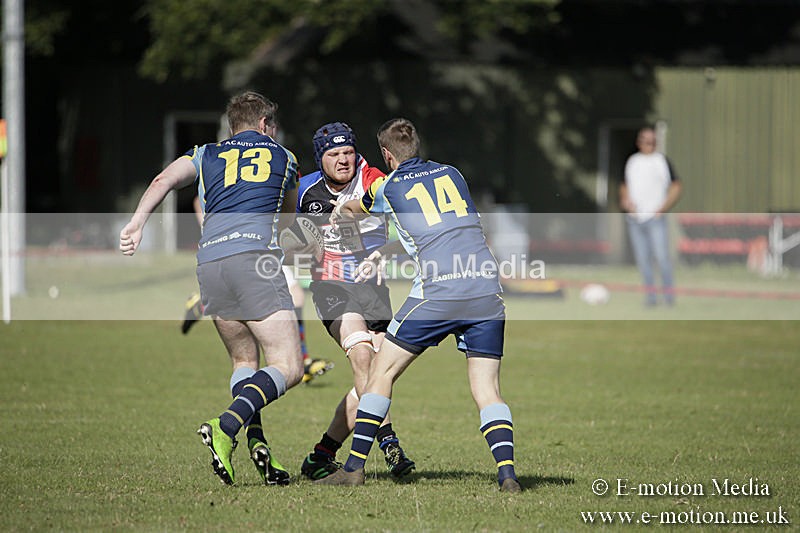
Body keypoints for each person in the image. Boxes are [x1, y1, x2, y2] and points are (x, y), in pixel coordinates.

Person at [317, 118, 521, 493]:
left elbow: (356, 209)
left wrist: (341, 211)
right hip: (485, 289)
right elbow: (439, 229)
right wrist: (384, 252)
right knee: (487, 389)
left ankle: (353, 468)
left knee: (380, 373)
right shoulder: (453, 174)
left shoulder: (388, 185)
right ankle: (507, 475)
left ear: (386, 154)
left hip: (438, 291)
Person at [119, 91, 304, 486]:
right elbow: (287, 221)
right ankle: (226, 426)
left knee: (244, 362)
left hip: (211, 264)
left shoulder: (204, 154)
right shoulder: (285, 157)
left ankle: (257, 441)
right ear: (264, 125)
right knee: (289, 366)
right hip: (254, 260)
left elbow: (163, 180)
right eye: (272, 126)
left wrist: (137, 222)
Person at [293, 122, 415, 481]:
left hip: (373, 291)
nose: (343, 159)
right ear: (320, 158)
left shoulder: (375, 180)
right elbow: (287, 236)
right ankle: (390, 445)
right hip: (331, 287)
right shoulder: (303, 190)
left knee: (376, 376)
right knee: (362, 356)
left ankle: (322, 454)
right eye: (334, 154)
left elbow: (410, 229)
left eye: (348, 152)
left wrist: (382, 252)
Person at [181, 196, 335, 384]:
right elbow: (199, 199)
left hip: (264, 245)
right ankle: (301, 360)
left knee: (294, 296)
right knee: (289, 298)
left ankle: (200, 304)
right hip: (253, 248)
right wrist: (207, 230)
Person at [619, 126, 683, 306]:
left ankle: (669, 298)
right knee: (643, 261)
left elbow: (677, 186)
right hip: (635, 219)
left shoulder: (661, 161)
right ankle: (650, 298)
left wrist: (663, 208)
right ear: (639, 142)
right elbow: (624, 185)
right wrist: (626, 200)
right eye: (645, 140)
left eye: (652, 141)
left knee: (662, 259)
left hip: (655, 219)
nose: (649, 144)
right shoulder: (632, 161)